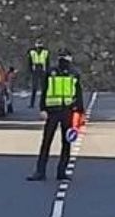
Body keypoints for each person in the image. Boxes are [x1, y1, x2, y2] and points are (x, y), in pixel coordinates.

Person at [27, 48, 85, 182]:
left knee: (66, 143)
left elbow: (78, 94)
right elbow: (45, 90)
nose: (64, 60)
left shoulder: (74, 74)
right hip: (53, 111)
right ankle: (41, 171)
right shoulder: (51, 72)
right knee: (47, 142)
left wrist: (79, 112)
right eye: (62, 57)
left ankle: (61, 172)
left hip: (67, 111)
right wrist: (43, 109)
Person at [26, 41, 50, 108]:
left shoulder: (45, 52)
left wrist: (47, 71)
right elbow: (30, 62)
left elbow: (48, 62)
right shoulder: (32, 52)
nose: (39, 48)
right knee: (34, 87)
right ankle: (32, 104)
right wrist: (31, 70)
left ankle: (44, 103)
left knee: (44, 88)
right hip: (35, 69)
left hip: (43, 69)